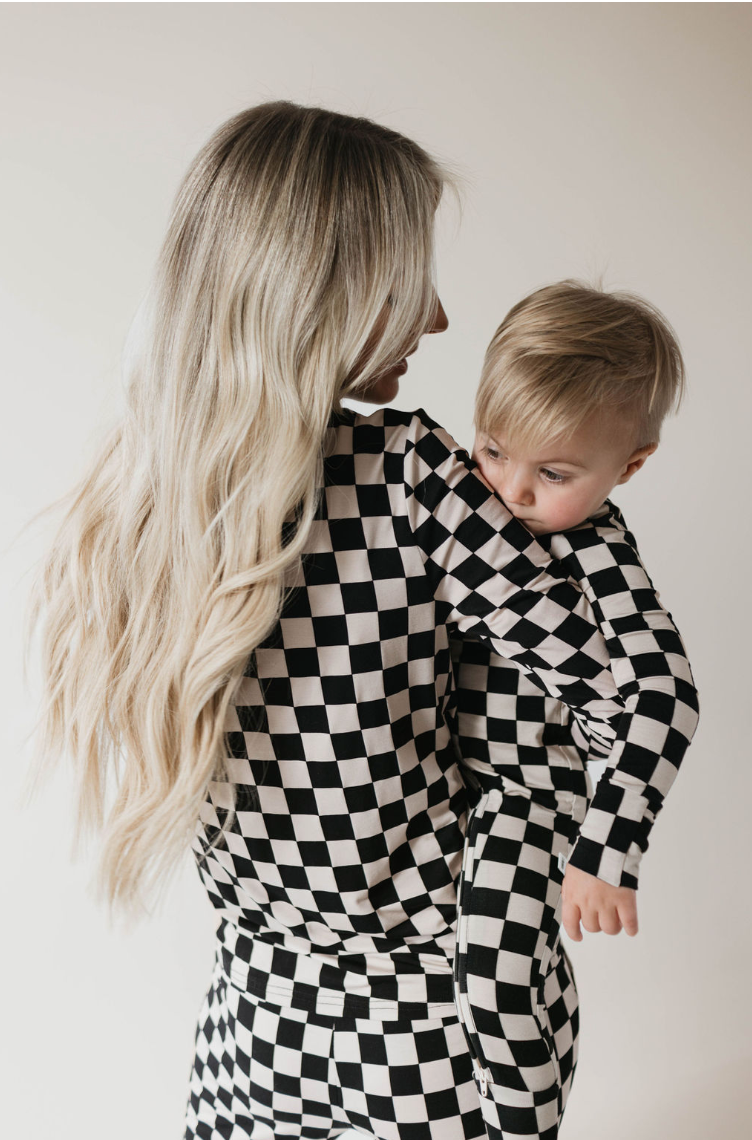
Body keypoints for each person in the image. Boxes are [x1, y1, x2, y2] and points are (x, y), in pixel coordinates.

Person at [23, 103, 693, 1140]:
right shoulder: (409, 478)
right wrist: (564, 833)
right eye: (404, 277)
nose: (433, 319)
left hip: (254, 1027)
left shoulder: (144, 488)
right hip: (434, 1025)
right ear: (322, 290)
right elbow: (621, 694)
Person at [448, 280, 700, 1139]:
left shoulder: (597, 549)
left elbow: (665, 696)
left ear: (627, 468)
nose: (511, 491)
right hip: (438, 781)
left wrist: (607, 851)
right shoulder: (452, 496)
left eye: (552, 473)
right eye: (493, 450)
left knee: (498, 965)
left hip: (530, 792)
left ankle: (524, 1126)